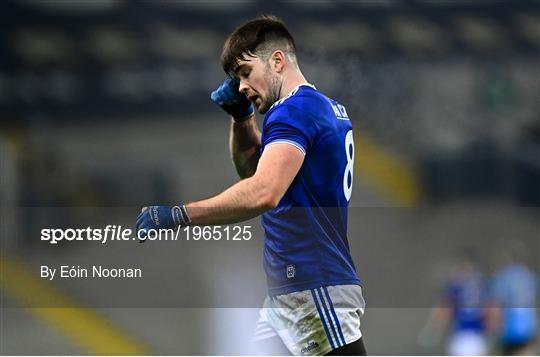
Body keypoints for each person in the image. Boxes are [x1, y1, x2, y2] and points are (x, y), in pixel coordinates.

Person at [136, 15, 366, 355]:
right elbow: (254, 172)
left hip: (313, 287)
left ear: (277, 60)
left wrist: (179, 215)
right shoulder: (322, 108)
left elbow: (263, 191)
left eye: (245, 72)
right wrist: (241, 118)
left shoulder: (293, 111)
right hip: (288, 294)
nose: (241, 85)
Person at [418, 249, 489, 356]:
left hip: (461, 337)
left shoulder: (456, 285)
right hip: (478, 337)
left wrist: (433, 328)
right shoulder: (483, 283)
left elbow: (445, 307)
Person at [489, 243, 538, 355]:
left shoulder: (504, 276)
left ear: (509, 259)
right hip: (528, 323)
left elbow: (496, 303)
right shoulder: (529, 276)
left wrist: (494, 325)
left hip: (510, 323)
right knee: (526, 351)